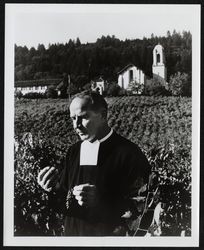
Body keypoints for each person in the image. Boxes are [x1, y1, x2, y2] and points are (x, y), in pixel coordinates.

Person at [37, 91, 152, 236]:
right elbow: (65, 202)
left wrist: (101, 200)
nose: (76, 125)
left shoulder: (129, 153)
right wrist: (53, 189)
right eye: (73, 118)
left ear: (103, 116)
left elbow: (142, 205)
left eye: (83, 117)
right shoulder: (73, 152)